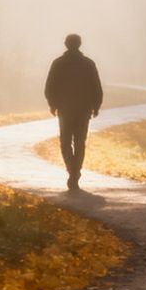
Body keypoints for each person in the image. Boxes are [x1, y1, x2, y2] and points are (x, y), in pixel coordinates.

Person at [44, 33, 103, 190]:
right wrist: (96, 105)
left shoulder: (58, 63)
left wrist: (52, 104)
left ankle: (72, 171)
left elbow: (50, 86)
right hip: (83, 110)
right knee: (79, 143)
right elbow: (96, 86)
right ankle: (75, 172)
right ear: (80, 44)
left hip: (65, 110)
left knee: (65, 143)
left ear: (65, 44)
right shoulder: (88, 64)